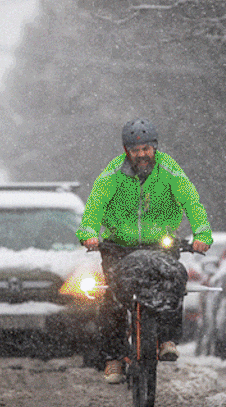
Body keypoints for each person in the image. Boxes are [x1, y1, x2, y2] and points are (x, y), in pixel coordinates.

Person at [77, 118, 212, 384]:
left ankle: (167, 339)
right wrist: (89, 234)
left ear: (155, 147)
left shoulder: (170, 170)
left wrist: (202, 234)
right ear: (126, 150)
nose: (141, 154)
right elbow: (95, 207)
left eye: (146, 149)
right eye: (135, 149)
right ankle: (114, 358)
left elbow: (191, 201)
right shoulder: (112, 174)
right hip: (118, 246)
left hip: (159, 244)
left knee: (174, 282)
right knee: (112, 299)